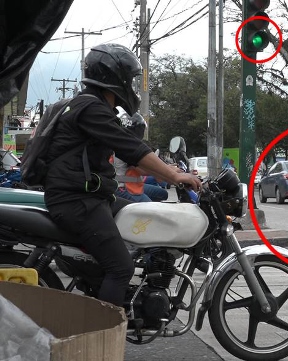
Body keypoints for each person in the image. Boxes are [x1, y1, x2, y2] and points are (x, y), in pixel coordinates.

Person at [43, 43, 201, 307]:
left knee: (149, 217)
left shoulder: (89, 106)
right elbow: (131, 148)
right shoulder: (90, 109)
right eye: (129, 79)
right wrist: (175, 178)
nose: (132, 85)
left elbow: (132, 151)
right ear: (114, 78)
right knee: (120, 268)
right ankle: (105, 336)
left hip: (92, 197)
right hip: (76, 202)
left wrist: (172, 170)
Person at [112, 111, 171, 202]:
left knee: (162, 194)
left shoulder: (120, 143)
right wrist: (169, 172)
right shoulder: (128, 147)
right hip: (122, 189)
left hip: (128, 185)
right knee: (151, 211)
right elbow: (144, 169)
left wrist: (166, 170)